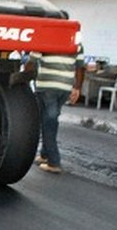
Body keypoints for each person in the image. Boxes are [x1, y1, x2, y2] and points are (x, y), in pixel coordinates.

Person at [26, 45, 84, 174]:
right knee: (50, 119)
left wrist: (24, 77)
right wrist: (77, 88)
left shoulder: (46, 38)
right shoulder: (76, 43)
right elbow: (80, 67)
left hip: (47, 88)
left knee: (48, 122)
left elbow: (32, 62)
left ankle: (53, 161)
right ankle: (44, 154)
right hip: (65, 88)